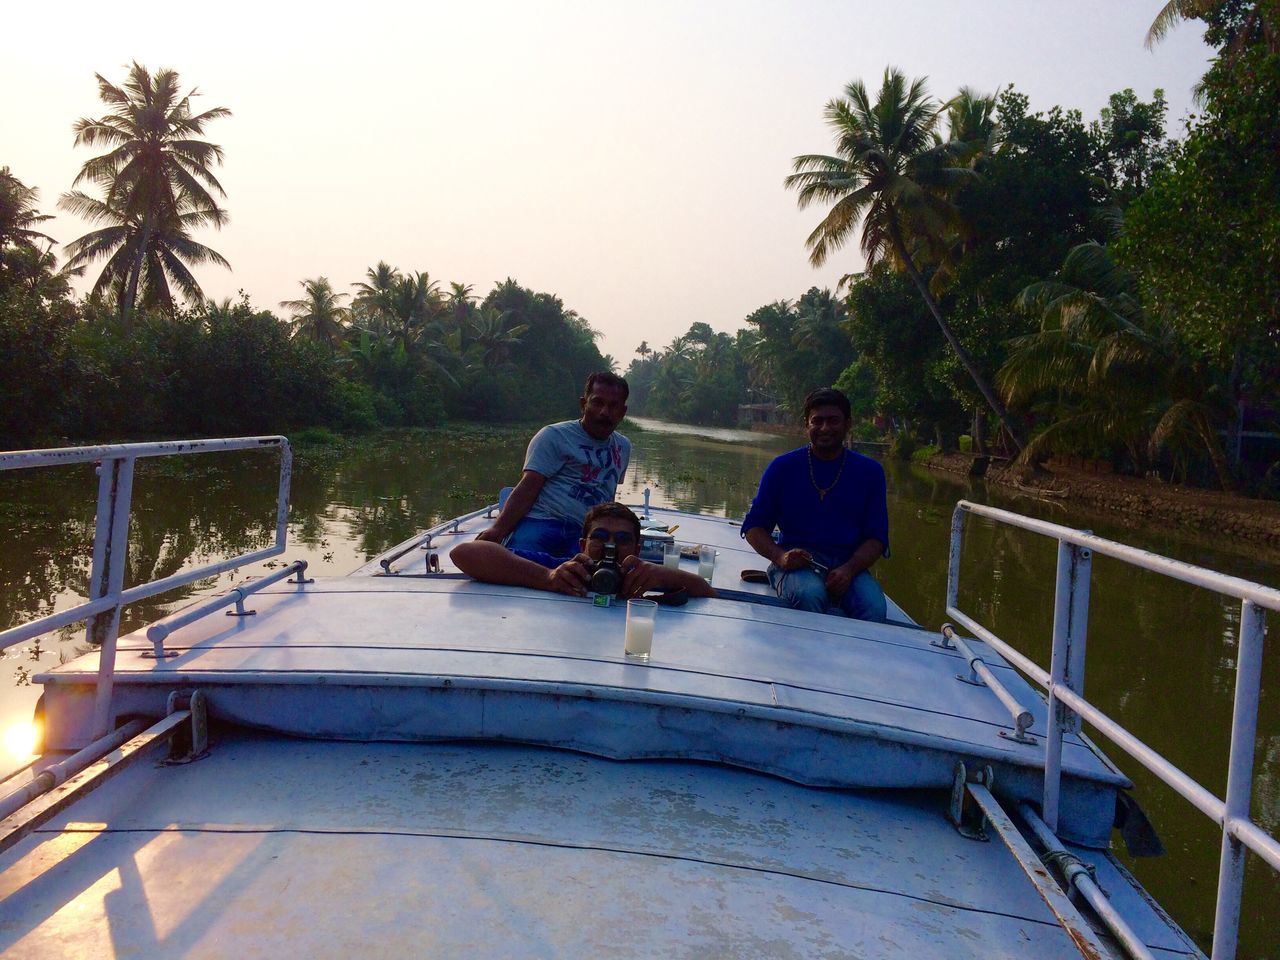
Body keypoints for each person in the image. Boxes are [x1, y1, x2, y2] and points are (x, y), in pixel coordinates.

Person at [741, 387, 888, 622]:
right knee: (810, 595)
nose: (824, 428)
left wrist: (849, 570)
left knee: (875, 608)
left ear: (848, 423)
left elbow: (877, 538)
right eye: (817, 421)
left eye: (833, 421)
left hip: (849, 565)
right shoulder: (782, 468)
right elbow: (754, 528)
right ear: (806, 424)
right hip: (797, 565)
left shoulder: (870, 473)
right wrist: (781, 557)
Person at [476, 372, 631, 559]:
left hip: (585, 533)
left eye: (613, 406)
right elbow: (528, 487)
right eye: (597, 402)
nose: (604, 412)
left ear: (622, 413)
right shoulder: (554, 436)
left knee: (596, 574)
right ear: (584, 404)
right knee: (518, 564)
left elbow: (608, 493)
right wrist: (497, 531)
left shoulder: (623, 446)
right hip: (543, 521)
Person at [453, 502, 714, 599]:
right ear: (582, 545)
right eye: (600, 537)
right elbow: (464, 553)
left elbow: (705, 589)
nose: (610, 546)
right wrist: (547, 578)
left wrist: (663, 575)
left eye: (621, 539)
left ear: (637, 548)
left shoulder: (644, 578)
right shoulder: (564, 570)